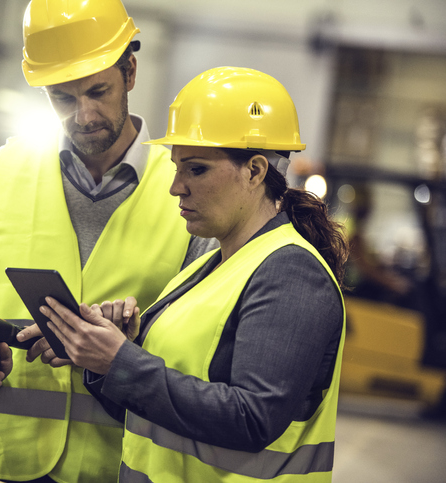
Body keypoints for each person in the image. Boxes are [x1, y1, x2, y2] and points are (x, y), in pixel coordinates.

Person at [0, 1, 216, 482]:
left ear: (131, 72)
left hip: (110, 465)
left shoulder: (185, 189)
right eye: (62, 99)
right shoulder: (1, 172)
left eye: (98, 92)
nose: (84, 116)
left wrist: (127, 342)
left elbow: (203, 342)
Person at [36, 67, 350, 482]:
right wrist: (106, 352)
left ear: (255, 171)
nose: (175, 187)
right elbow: (156, 407)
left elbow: (252, 418)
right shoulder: (209, 266)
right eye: (176, 167)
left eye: (196, 169)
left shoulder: (291, 274)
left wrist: (122, 361)